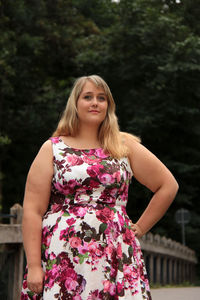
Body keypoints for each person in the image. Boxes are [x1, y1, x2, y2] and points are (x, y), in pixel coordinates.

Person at [21, 75, 178, 300]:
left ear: (108, 106)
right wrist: (35, 265)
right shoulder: (52, 149)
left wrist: (141, 227)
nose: (95, 102)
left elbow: (167, 185)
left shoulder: (123, 146)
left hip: (116, 251)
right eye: (88, 97)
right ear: (75, 104)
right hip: (62, 254)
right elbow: (32, 211)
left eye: (101, 98)